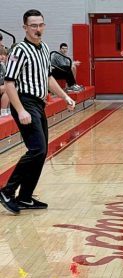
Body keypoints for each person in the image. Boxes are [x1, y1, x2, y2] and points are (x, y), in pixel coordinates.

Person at [0, 9, 76, 215]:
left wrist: (65, 96)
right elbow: (8, 83)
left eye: (40, 24)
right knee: (37, 149)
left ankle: (25, 197)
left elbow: (48, 78)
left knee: (41, 153)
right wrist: (20, 109)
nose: (37, 28)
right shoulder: (19, 50)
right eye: (33, 25)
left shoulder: (44, 48)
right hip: (25, 103)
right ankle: (7, 191)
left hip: (39, 103)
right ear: (25, 27)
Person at [0, 47, 10, 116]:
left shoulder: (2, 65)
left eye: (3, 55)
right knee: (8, 88)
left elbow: (17, 58)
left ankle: (8, 109)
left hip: (2, 86)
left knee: (11, 87)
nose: (2, 57)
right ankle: (3, 111)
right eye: (0, 55)